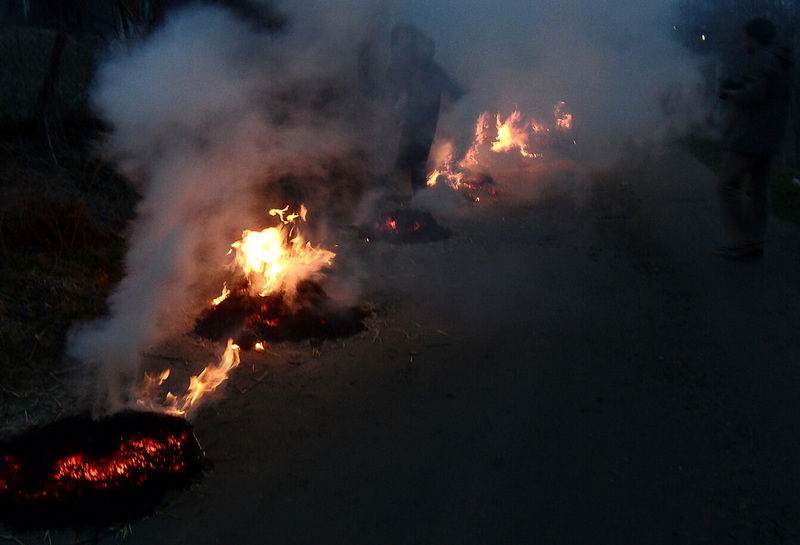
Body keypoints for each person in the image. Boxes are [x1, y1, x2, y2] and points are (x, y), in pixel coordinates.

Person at [715, 17, 793, 259]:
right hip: (770, 135)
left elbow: (755, 94)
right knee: (759, 190)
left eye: (746, 38)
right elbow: (766, 89)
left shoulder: (763, 58)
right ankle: (754, 241)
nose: (743, 42)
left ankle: (744, 238)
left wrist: (730, 93)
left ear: (754, 38)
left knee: (726, 184)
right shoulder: (780, 59)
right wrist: (739, 85)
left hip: (752, 136)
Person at [387, 24, 464, 194]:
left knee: (418, 160)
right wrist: (391, 109)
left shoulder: (435, 71)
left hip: (427, 123)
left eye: (429, 50)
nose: (427, 52)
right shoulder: (411, 68)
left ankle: (419, 198)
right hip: (411, 120)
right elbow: (394, 88)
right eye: (423, 49)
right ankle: (394, 192)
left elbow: (455, 90)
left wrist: (472, 97)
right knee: (404, 157)